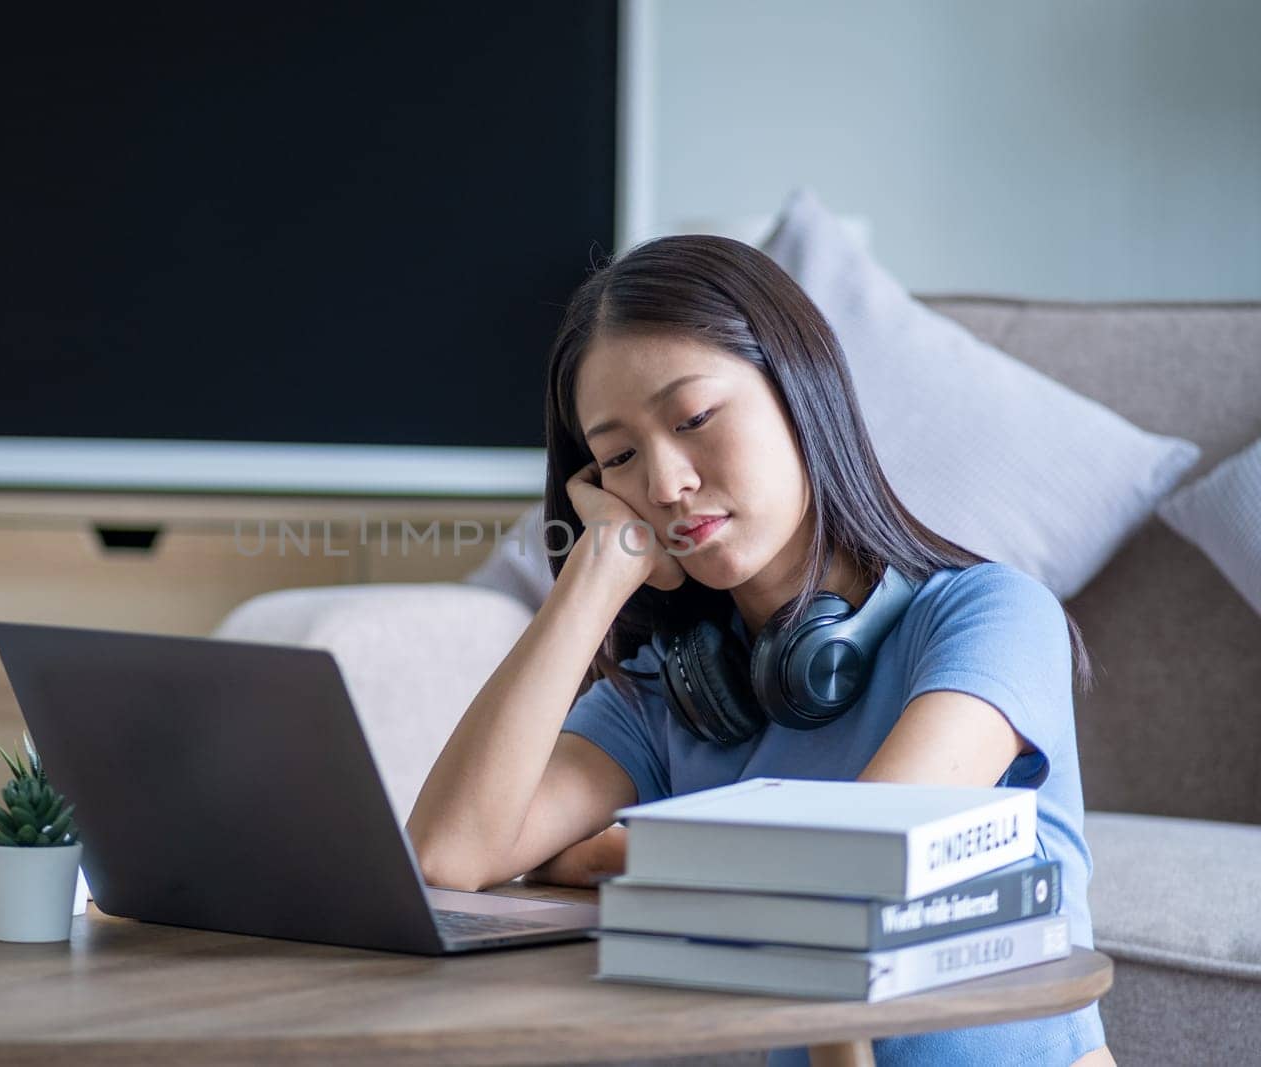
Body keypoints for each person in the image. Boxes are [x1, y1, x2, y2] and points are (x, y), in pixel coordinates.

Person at [405, 235, 1114, 1067]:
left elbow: (854, 864)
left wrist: (603, 856)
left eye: (694, 418)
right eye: (620, 457)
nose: (665, 482)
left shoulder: (992, 615)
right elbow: (449, 857)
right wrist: (594, 578)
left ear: (798, 391)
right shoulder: (677, 690)